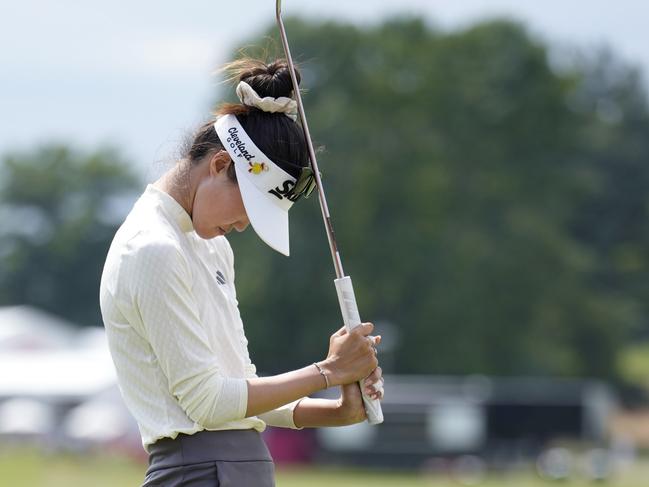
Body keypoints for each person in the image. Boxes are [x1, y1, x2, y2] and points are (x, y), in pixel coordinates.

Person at [99, 58, 384, 487]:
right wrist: (328, 370)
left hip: (239, 470)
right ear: (218, 166)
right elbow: (209, 404)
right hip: (196, 472)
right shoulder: (152, 248)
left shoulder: (211, 247)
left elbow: (239, 389)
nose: (245, 225)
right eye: (249, 207)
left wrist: (336, 409)